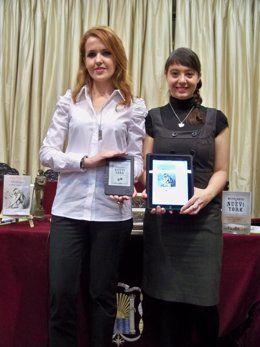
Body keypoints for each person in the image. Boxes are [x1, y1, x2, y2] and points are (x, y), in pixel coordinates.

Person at [39, 26, 147, 347]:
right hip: (68, 212)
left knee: (102, 296)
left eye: (105, 52)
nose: (98, 60)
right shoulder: (69, 102)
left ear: (117, 58)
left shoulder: (134, 106)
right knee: (62, 294)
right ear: (83, 60)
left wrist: (125, 184)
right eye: (91, 54)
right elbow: (47, 154)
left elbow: (137, 161)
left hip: (112, 214)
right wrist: (86, 160)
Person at [140, 47, 229, 347]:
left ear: (198, 77)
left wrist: (206, 194)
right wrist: (150, 195)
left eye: (189, 74)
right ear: (166, 76)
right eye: (175, 73)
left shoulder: (216, 119)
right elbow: (146, 168)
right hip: (164, 227)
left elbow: (222, 170)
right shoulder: (152, 118)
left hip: (203, 225)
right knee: (165, 308)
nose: (182, 80)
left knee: (204, 307)